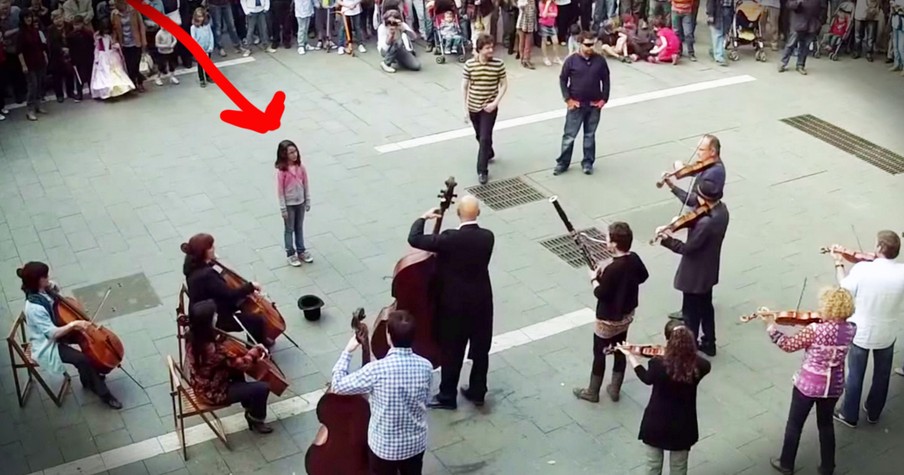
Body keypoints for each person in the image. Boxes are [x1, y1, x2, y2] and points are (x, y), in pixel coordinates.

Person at [408, 195, 495, 410]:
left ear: (458, 214)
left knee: (452, 350)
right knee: (480, 349)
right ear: (479, 214)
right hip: (481, 302)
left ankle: (447, 395)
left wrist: (423, 217)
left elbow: (415, 239)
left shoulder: (449, 239)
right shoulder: (488, 237)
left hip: (454, 306)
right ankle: (477, 390)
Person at [766, 287, 857, 475]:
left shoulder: (814, 330)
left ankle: (786, 463)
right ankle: (827, 467)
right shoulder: (851, 329)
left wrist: (771, 328)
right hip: (834, 385)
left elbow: (788, 345)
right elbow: (832, 333)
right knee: (825, 425)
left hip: (808, 385)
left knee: (795, 424)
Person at [330, 310, 433, 474]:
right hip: (415, 444)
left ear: (389, 336)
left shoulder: (376, 371)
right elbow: (425, 401)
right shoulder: (426, 366)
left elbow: (338, 385)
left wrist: (347, 351)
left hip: (384, 449)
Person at [17, 261, 123, 409]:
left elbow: (57, 301)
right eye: (45, 277)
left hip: (59, 328)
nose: (49, 279)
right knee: (82, 358)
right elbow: (52, 334)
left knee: (88, 344)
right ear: (38, 281)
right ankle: (104, 394)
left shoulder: (43, 290)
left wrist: (53, 288)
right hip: (47, 344)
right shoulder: (34, 308)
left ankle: (88, 379)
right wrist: (74, 324)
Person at [831, 231, 904, 427]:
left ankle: (849, 414)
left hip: (861, 331)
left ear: (879, 248)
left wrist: (839, 262)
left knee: (855, 374)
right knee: (882, 375)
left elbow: (844, 287)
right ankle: (873, 412)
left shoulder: (863, 269)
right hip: (887, 332)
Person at [573, 222, 650, 403]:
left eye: (607, 239)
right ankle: (615, 388)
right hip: (626, 315)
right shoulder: (634, 259)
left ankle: (593, 391)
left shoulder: (612, 269)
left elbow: (601, 293)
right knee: (620, 349)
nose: (605, 242)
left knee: (599, 353)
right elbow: (642, 276)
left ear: (614, 244)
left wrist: (594, 278)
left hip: (607, 319)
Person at [619, 325, 711, 475]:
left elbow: (646, 378)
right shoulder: (699, 366)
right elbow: (702, 363)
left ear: (668, 341)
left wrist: (631, 356)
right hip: (683, 425)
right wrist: (686, 352)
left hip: (657, 422)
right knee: (679, 468)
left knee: (653, 466)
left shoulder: (657, 365)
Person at [654, 178, 729, 357]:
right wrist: (673, 187)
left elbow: (687, 249)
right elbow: (693, 202)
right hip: (709, 269)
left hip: (695, 273)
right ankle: (709, 342)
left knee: (690, 313)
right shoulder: (721, 209)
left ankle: (689, 349)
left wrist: (666, 239)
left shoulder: (706, 223)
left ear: (704, 199)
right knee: (706, 306)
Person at [184, 299, 273, 433]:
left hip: (200, 382)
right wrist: (255, 351)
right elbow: (244, 364)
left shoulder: (191, 336)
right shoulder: (214, 351)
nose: (217, 316)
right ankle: (255, 418)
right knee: (263, 388)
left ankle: (247, 402)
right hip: (214, 393)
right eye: (214, 315)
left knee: (235, 372)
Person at [181, 233, 272, 346]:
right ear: (205, 251)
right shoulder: (206, 275)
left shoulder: (192, 266)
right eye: (211, 247)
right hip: (215, 316)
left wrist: (210, 260)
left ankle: (260, 337)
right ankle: (254, 348)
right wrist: (250, 286)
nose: (214, 249)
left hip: (203, 309)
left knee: (245, 304)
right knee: (256, 320)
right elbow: (229, 295)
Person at [554, 30, 610, 176]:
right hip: (576, 105)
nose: (591, 48)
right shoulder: (571, 61)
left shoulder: (600, 60)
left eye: (593, 44)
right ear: (580, 44)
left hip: (593, 105)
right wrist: (568, 99)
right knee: (569, 136)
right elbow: (562, 79)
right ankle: (563, 163)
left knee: (589, 135)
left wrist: (604, 98)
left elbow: (606, 79)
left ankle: (588, 162)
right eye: (587, 45)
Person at [462, 33, 508, 185]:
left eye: (491, 47)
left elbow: (504, 85)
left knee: (484, 137)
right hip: (473, 107)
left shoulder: (498, 64)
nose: (490, 50)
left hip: (489, 108)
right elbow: (464, 87)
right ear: (480, 49)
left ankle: (482, 171)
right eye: (487, 48)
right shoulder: (469, 65)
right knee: (479, 136)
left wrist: (495, 102)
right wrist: (465, 109)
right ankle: (488, 151)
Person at [274, 140, 313, 266]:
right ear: (284, 155)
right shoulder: (282, 172)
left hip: (300, 202)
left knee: (299, 227)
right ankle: (290, 253)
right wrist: (283, 208)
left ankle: (301, 250)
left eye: (295, 151)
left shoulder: (301, 168)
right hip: (289, 205)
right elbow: (280, 191)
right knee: (289, 229)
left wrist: (307, 200)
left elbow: (305, 184)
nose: (294, 154)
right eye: (290, 152)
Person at [91, 19, 135, 99]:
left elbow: (114, 43)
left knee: (117, 72)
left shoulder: (113, 34)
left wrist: (116, 46)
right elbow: (97, 47)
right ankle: (108, 92)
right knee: (105, 73)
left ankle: (119, 90)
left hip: (112, 55)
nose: (106, 31)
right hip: (103, 56)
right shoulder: (97, 36)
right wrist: (97, 58)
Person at [17, 9, 47, 122]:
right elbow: (19, 51)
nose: (29, 19)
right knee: (32, 86)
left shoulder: (35, 30)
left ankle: (37, 106)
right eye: (26, 17)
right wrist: (23, 65)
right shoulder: (21, 33)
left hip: (39, 60)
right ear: (22, 19)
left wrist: (44, 55)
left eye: (30, 16)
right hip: (29, 63)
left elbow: (40, 45)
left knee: (39, 84)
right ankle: (30, 110)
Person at [111, 0, 147, 92]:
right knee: (129, 66)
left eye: (118, 3)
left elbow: (141, 25)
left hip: (136, 41)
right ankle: (134, 83)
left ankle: (140, 82)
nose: (117, 6)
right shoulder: (114, 14)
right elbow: (114, 28)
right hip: (124, 44)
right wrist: (114, 40)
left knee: (136, 64)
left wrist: (143, 40)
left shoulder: (134, 11)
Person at [778, 0, 821, 75]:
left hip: (811, 23)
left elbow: (822, 7)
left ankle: (800, 65)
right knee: (791, 44)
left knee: (805, 46)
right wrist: (798, 2)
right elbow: (789, 4)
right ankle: (783, 63)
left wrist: (819, 22)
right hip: (798, 22)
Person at [67, 15, 94, 101]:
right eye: (75, 24)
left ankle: (92, 90)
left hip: (88, 57)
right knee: (79, 77)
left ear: (82, 24)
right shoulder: (70, 36)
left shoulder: (88, 33)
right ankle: (79, 93)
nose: (77, 26)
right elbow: (70, 48)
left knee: (90, 75)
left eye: (78, 24)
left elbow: (92, 44)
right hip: (77, 59)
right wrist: (72, 59)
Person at [190, 6, 214, 87]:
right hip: (199, 50)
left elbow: (211, 35)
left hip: (208, 48)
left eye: (202, 16)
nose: (200, 18)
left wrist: (211, 46)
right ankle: (202, 79)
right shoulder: (193, 28)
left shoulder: (207, 25)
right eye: (198, 16)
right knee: (200, 65)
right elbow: (194, 40)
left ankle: (208, 76)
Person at [706, 0, 733, 66]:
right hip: (718, 10)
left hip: (728, 10)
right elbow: (710, 2)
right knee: (718, 33)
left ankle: (714, 50)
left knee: (724, 33)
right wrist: (710, 14)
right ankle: (719, 57)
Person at [154, 20, 180, 86]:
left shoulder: (170, 31)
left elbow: (175, 39)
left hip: (170, 51)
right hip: (162, 52)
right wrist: (165, 46)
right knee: (161, 65)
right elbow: (157, 44)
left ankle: (172, 76)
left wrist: (172, 44)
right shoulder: (159, 34)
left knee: (172, 64)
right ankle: (158, 78)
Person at [538, 0, 561, 65]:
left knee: (555, 41)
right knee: (544, 41)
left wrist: (547, 14)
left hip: (551, 25)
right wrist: (547, 4)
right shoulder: (541, 3)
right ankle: (545, 58)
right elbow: (544, 15)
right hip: (543, 24)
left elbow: (555, 14)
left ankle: (556, 58)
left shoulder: (554, 3)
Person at [516, 0, 537, 68]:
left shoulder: (533, 2)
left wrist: (534, 25)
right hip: (522, 24)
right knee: (522, 43)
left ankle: (526, 59)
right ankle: (523, 59)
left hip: (530, 25)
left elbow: (534, 14)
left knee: (528, 44)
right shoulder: (523, 2)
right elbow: (522, 10)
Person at [890, 0, 903, 74]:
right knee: (895, 44)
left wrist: (899, 7)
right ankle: (897, 63)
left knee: (901, 47)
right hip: (895, 20)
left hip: (902, 22)